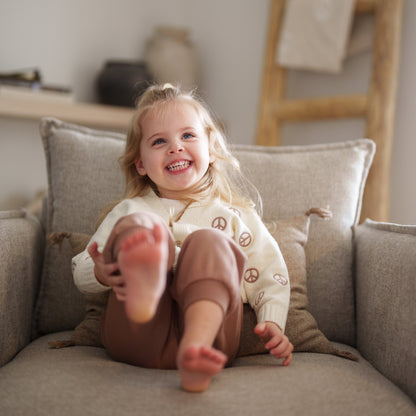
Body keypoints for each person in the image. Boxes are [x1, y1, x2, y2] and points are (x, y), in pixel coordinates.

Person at [72, 83, 293, 393]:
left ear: (211, 149)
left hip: (213, 335)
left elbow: (272, 274)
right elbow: (82, 265)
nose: (175, 147)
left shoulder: (236, 216)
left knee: (210, 243)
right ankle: (144, 293)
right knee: (140, 228)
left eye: (188, 135)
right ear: (141, 164)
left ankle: (195, 351)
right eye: (159, 141)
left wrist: (273, 322)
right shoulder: (129, 210)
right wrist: (101, 271)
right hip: (135, 334)